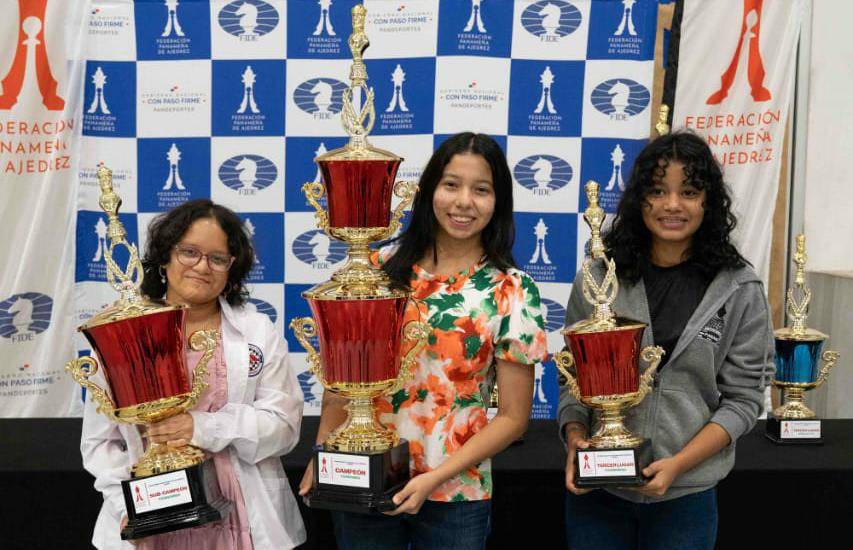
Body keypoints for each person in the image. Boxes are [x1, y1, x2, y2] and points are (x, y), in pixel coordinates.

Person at [300, 132, 548, 549]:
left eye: (481, 189)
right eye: (451, 184)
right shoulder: (376, 270)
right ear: (429, 189)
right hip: (363, 475)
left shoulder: (512, 290)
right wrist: (322, 453)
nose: (463, 202)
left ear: (498, 201)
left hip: (456, 494)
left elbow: (512, 416)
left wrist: (433, 478)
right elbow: (340, 383)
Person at [558, 131, 775, 549]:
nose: (672, 205)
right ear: (640, 199)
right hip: (598, 496)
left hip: (687, 498)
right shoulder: (600, 279)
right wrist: (574, 440)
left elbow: (745, 398)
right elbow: (572, 381)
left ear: (707, 202)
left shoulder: (738, 286)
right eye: (658, 191)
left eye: (689, 192)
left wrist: (679, 465)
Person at [80, 199, 306, 549]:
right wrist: (131, 507)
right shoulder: (123, 333)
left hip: (241, 518)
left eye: (217, 258)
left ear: (231, 268)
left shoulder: (257, 331)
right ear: (165, 257)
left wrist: (201, 427)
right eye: (189, 252)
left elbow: (284, 428)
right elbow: (100, 443)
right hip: (152, 522)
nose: (202, 266)